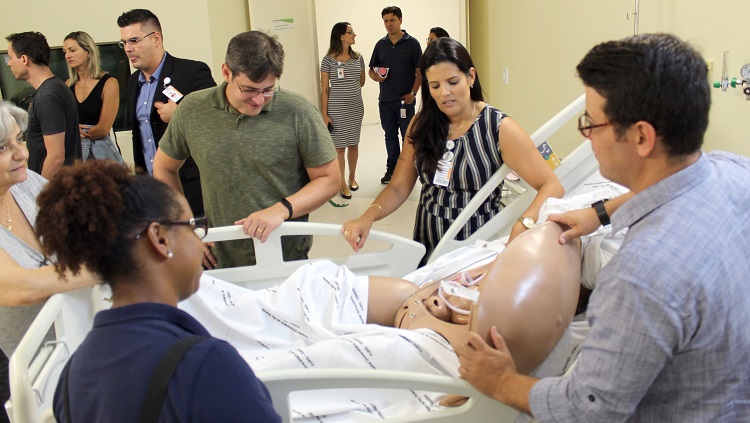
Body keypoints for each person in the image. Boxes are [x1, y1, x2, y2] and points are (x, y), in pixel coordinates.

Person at [457, 33, 750, 421]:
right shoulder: (735, 172)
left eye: (592, 124)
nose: (587, 135)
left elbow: (588, 407)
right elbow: (678, 187)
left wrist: (501, 382)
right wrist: (600, 212)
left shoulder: (638, 277)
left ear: (642, 137)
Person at [39, 160, 280, 422]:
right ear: (160, 238)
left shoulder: (72, 376)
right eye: (192, 227)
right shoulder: (205, 364)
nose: (201, 243)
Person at [343, 38, 563, 265]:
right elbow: (399, 186)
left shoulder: (497, 127)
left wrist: (525, 223)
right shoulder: (422, 124)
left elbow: (552, 185)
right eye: (435, 86)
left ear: (471, 77)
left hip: (475, 249)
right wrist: (367, 217)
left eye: (452, 82)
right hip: (427, 243)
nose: (444, 93)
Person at [153, 31, 338, 269]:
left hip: (285, 257)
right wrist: (184, 227)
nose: (259, 100)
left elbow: (329, 179)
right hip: (219, 259)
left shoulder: (298, 112)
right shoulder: (192, 109)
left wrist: (281, 210)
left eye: (268, 89)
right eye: (250, 89)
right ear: (226, 72)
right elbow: (164, 167)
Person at [0, 102, 97, 423]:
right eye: (3, 147)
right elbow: (19, 287)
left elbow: (86, 225)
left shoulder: (27, 184)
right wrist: (106, 266)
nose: (21, 154)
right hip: (15, 368)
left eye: (20, 139)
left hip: (64, 350)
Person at [117, 9, 216, 216]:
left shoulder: (192, 72)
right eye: (124, 42)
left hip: (190, 187)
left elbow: (217, 121)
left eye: (134, 40)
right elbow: (140, 136)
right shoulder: (133, 82)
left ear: (156, 38)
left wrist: (180, 116)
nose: (128, 48)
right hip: (152, 193)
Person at [4, 32, 81, 179]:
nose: (8, 63)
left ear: (25, 59)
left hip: (57, 191)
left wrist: (38, 193)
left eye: (11, 57)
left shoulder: (48, 95)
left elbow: (56, 157)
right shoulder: (54, 88)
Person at [369, 6, 422, 184]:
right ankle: (392, 169)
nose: (389, 24)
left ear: (400, 20)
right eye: (386, 21)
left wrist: (413, 94)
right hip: (385, 101)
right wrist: (376, 77)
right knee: (389, 136)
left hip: (405, 102)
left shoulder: (412, 44)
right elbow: (371, 70)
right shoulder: (380, 45)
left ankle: (408, 171)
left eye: (392, 20)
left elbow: (420, 73)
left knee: (408, 137)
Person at [62, 31, 124, 163]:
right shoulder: (67, 85)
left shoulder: (109, 83)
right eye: (65, 51)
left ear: (88, 51)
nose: (67, 56)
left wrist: (74, 131)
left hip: (102, 156)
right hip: (76, 156)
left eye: (72, 50)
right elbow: (63, 122)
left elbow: (103, 128)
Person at [320, 22, 365, 200]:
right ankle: (341, 184)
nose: (354, 34)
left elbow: (361, 82)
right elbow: (325, 89)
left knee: (353, 144)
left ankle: (352, 177)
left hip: (355, 107)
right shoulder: (328, 60)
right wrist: (324, 114)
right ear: (341, 36)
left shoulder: (358, 57)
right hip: (336, 109)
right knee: (339, 148)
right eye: (350, 32)